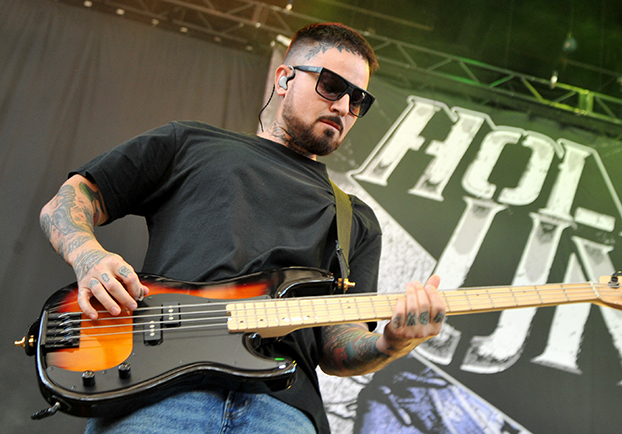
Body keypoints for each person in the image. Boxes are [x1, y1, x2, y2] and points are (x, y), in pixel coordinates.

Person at [38, 22, 446, 434]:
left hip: (282, 412)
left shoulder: (354, 218)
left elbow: (337, 344)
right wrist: (89, 257)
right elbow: (67, 203)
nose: (343, 106)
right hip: (157, 394)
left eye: (357, 99)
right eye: (331, 86)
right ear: (284, 78)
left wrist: (391, 344)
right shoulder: (189, 143)